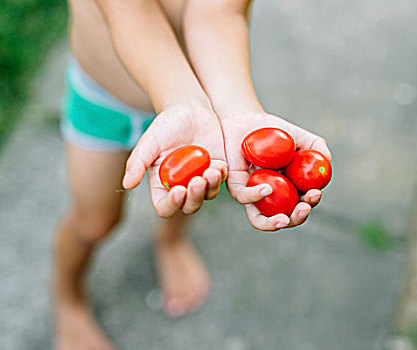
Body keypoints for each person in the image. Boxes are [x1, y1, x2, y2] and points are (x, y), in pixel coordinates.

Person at [55, 0, 332, 348]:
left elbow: (217, 11)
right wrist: (182, 103)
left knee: (196, 186)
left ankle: (170, 240)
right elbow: (131, 13)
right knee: (93, 221)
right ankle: (69, 299)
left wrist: (237, 110)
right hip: (103, 103)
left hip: (205, 103)